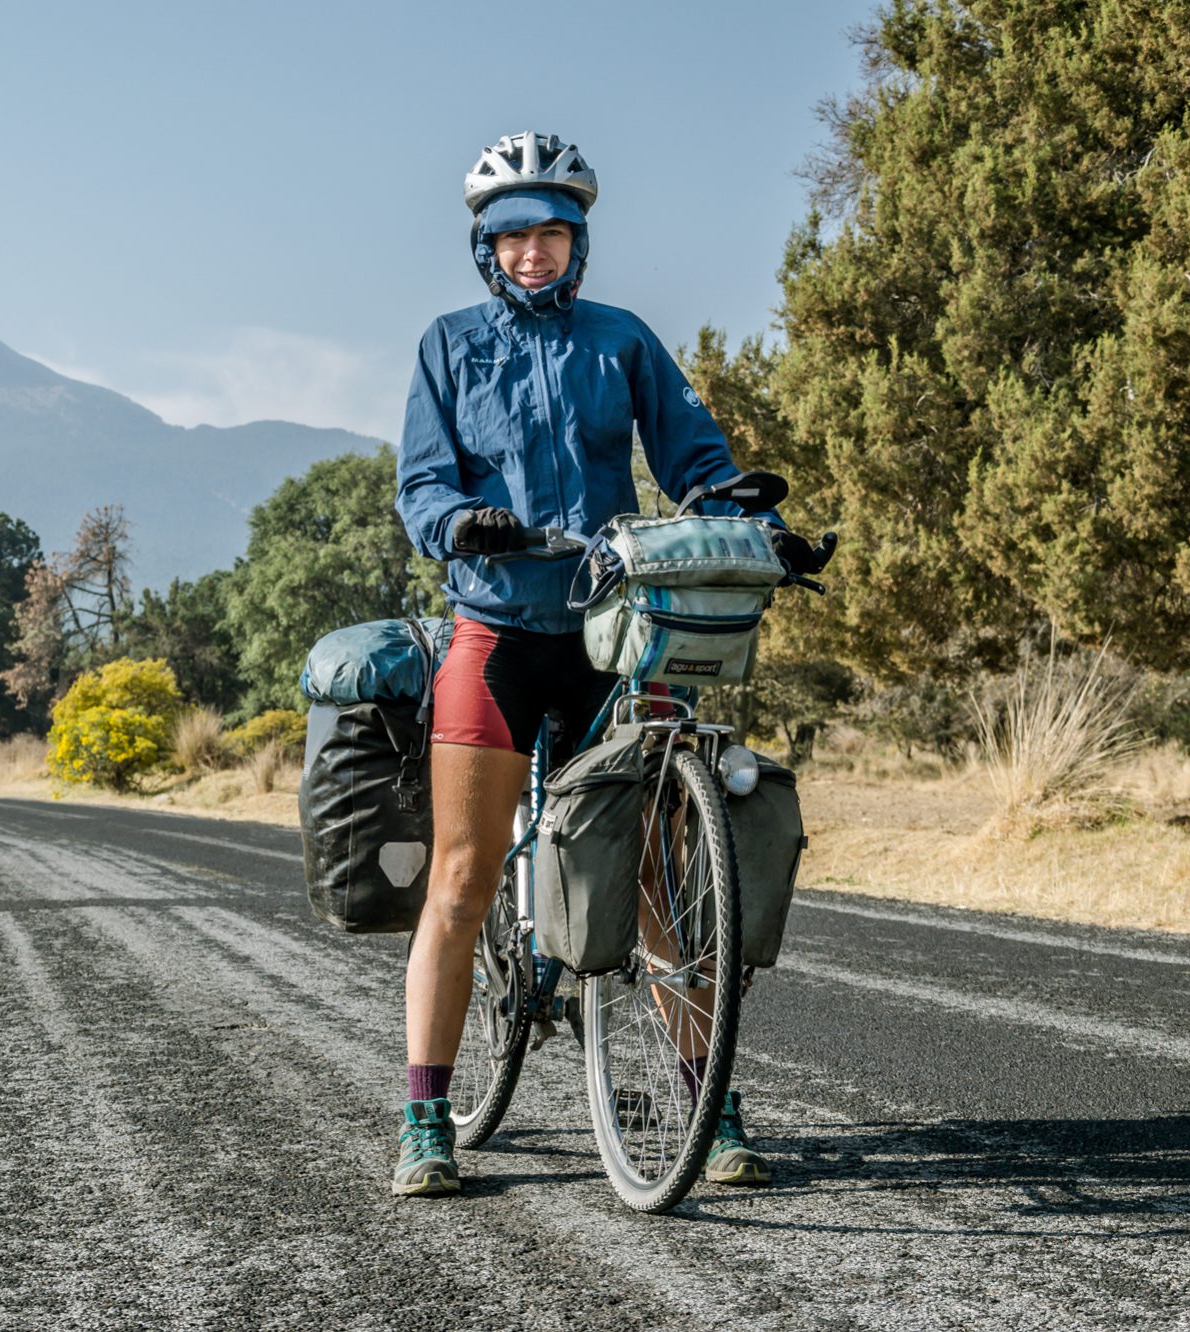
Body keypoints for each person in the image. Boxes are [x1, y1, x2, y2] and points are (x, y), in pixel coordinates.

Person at [390, 131, 831, 1197]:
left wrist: (732, 508)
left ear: (577, 244)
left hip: (609, 631)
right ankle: (423, 1119)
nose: (531, 253)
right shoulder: (448, 346)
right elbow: (419, 485)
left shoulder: (619, 341)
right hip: (494, 634)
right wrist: (461, 524)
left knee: (657, 875)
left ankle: (706, 1102)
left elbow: (689, 453)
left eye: (551, 234)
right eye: (512, 238)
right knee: (461, 875)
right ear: (483, 249)